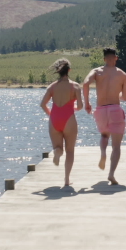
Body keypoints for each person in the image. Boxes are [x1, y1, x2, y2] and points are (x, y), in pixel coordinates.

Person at [82, 47, 126, 185]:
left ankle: (103, 152)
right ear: (116, 58)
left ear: (104, 59)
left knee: (104, 135)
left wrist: (87, 103)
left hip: (101, 109)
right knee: (116, 146)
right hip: (115, 108)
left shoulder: (97, 71)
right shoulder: (122, 74)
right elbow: (125, 97)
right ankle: (111, 174)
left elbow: (85, 84)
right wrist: (118, 95)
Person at [40, 58, 83, 186]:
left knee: (58, 148)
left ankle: (57, 152)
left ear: (58, 71)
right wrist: (73, 108)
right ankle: (66, 180)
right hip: (69, 118)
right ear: (69, 70)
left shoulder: (52, 87)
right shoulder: (75, 86)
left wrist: (51, 115)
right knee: (70, 151)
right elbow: (80, 106)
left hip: (54, 119)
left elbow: (43, 104)